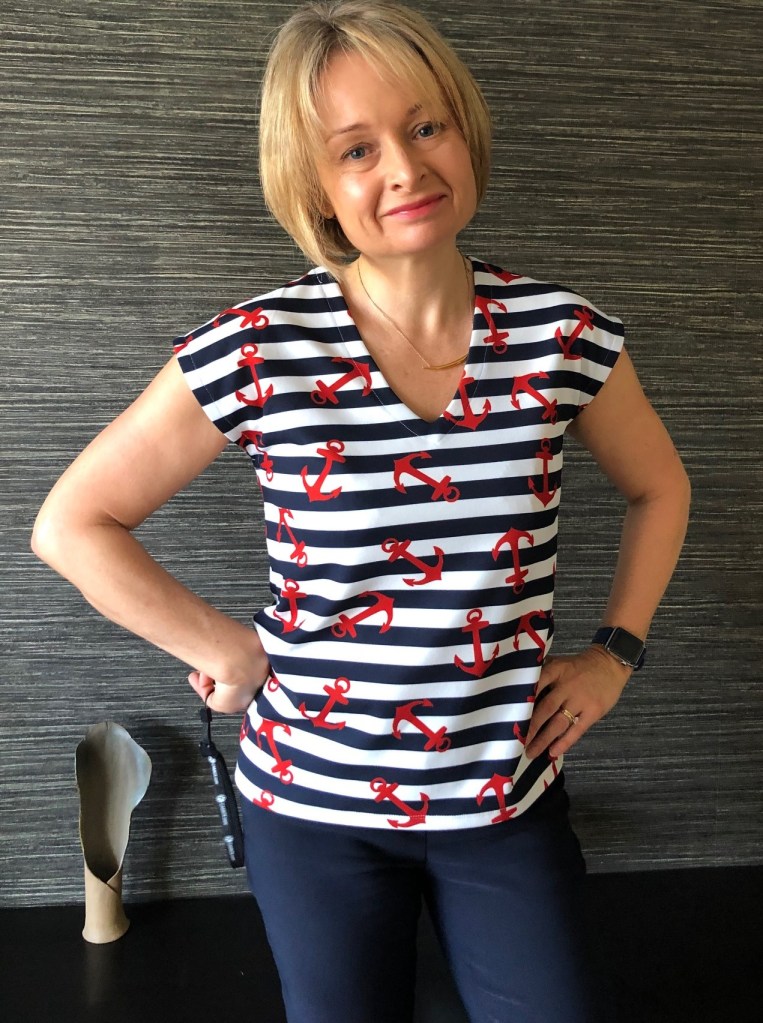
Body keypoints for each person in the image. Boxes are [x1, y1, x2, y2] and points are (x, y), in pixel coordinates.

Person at [32, 2, 691, 1021]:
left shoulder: (562, 336)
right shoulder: (260, 347)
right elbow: (71, 524)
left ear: (464, 132)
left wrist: (615, 653)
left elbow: (661, 487)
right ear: (313, 185)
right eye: (355, 149)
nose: (405, 169)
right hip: (311, 808)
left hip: (501, 795)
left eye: (426, 126)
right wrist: (227, 648)